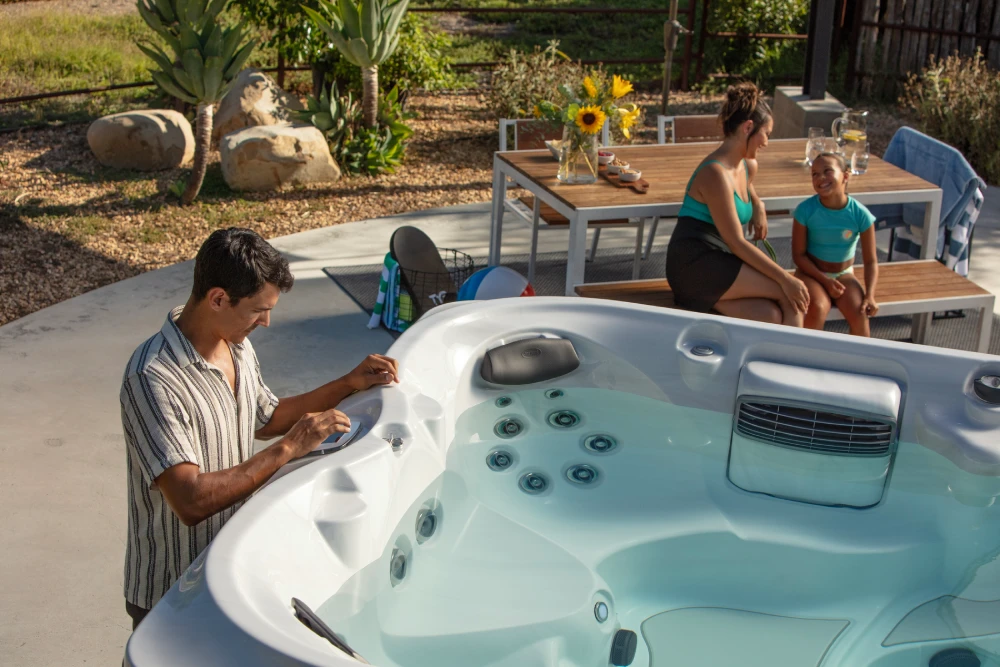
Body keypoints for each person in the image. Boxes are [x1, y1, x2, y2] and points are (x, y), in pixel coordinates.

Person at [119, 228, 399, 630]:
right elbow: (190, 501)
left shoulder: (234, 342)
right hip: (172, 593)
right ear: (218, 298)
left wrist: (348, 383)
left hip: (226, 567)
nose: (266, 322)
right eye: (257, 310)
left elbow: (266, 419)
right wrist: (289, 449)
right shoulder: (152, 378)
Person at [666, 82, 810, 326]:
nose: (766, 142)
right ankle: (796, 362)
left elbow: (744, 185)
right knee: (789, 292)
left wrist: (758, 203)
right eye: (767, 133)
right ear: (748, 128)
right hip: (694, 264)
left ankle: (765, 360)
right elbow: (737, 242)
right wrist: (786, 278)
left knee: (770, 316)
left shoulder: (746, 164)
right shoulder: (714, 174)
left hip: (722, 260)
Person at [792, 152, 879, 335]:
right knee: (817, 307)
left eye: (827, 171)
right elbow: (798, 256)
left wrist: (870, 295)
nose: (820, 178)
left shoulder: (860, 215)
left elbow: (871, 261)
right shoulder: (805, 211)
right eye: (814, 174)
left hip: (844, 274)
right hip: (812, 273)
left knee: (860, 313)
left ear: (846, 176)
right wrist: (825, 280)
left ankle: (856, 363)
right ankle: (806, 359)